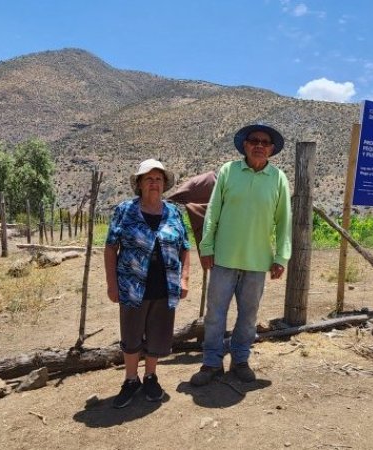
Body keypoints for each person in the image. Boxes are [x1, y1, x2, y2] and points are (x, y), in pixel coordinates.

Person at [190, 124, 292, 386]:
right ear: (245, 145)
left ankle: (240, 360)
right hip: (224, 258)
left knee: (248, 316)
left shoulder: (278, 178)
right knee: (215, 315)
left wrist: (281, 257)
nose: (259, 145)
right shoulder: (229, 171)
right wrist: (207, 247)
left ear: (271, 149)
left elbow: (284, 220)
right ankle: (211, 363)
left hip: (257, 262)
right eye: (254, 140)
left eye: (265, 142)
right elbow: (213, 211)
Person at [105, 159, 191, 408]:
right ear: (140, 184)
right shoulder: (125, 210)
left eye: (158, 179)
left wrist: (184, 278)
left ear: (164, 184)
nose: (154, 183)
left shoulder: (174, 212)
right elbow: (110, 248)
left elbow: (185, 247)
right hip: (132, 285)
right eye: (149, 179)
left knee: (158, 335)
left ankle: (150, 377)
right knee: (131, 335)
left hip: (165, 286)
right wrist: (112, 284)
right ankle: (131, 380)